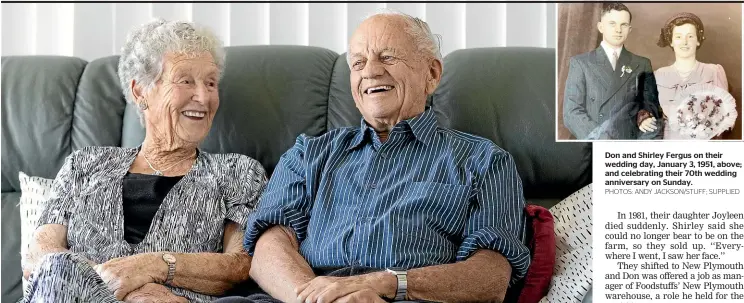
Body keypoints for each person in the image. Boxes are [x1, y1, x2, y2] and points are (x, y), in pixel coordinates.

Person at [217, 11, 530, 303]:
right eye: (358, 62)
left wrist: (387, 284)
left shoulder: (485, 161)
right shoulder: (308, 154)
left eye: (387, 57)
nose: (370, 71)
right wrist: (316, 297)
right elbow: (269, 247)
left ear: (431, 74)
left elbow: (491, 277)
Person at [22, 19, 266, 303]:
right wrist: (114, 287)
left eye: (210, 83)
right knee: (58, 269)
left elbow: (241, 265)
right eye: (185, 81)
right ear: (140, 92)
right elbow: (40, 254)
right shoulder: (84, 165)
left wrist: (156, 266)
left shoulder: (238, 172)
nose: (203, 96)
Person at [563, 2, 663, 140]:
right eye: (612, 24)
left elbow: (650, 105)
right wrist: (601, 138)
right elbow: (572, 112)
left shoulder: (642, 64)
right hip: (592, 140)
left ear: (629, 29)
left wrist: (645, 117)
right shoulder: (581, 63)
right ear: (600, 27)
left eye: (623, 25)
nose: (618, 30)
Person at [654, 12, 729, 140]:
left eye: (690, 36)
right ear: (671, 42)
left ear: (698, 40)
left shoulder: (714, 71)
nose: (685, 42)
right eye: (678, 37)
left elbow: (725, 115)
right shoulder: (658, 75)